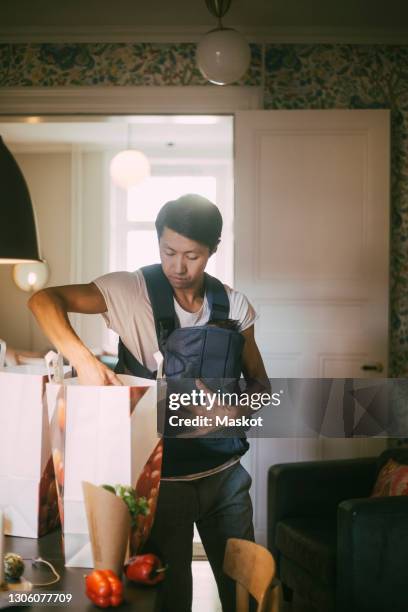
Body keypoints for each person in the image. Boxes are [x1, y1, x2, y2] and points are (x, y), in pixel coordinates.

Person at [29, 194, 269, 612]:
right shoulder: (130, 289)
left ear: (213, 250)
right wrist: (84, 360)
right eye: (169, 251)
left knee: (241, 594)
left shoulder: (236, 306)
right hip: (160, 483)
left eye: (192, 255)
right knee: (168, 599)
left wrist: (237, 409)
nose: (179, 266)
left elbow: (260, 386)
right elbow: (43, 300)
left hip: (226, 478)